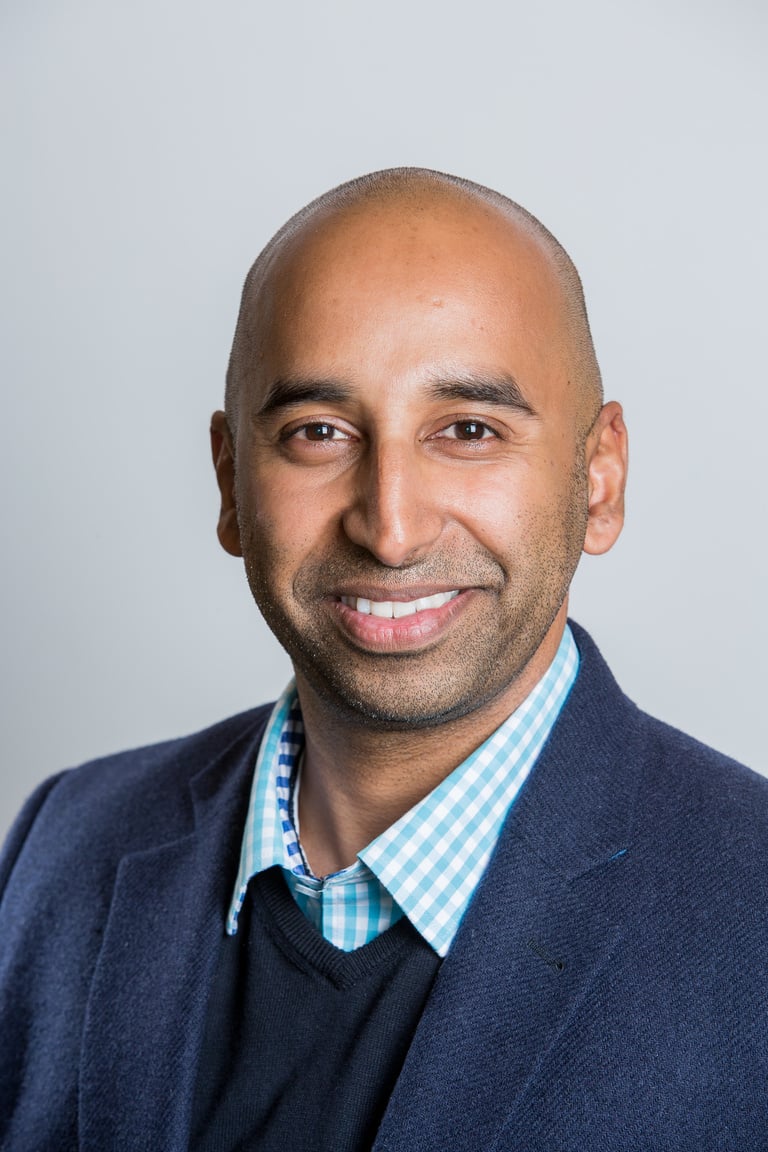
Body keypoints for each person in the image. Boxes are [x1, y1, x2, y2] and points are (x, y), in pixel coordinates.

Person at [1, 168, 766, 1152]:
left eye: (468, 431)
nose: (392, 528)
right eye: (318, 434)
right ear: (231, 484)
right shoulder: (67, 846)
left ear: (600, 477)